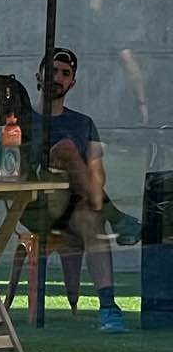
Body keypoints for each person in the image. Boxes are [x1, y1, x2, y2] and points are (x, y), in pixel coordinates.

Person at [10, 47, 132, 331]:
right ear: (38, 76)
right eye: (52, 71)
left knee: (93, 221)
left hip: (74, 206)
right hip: (35, 204)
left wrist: (80, 173)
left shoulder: (83, 123)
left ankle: (109, 308)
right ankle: (117, 218)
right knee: (65, 148)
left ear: (72, 83)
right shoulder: (19, 119)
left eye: (65, 73)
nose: (57, 77)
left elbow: (97, 175)